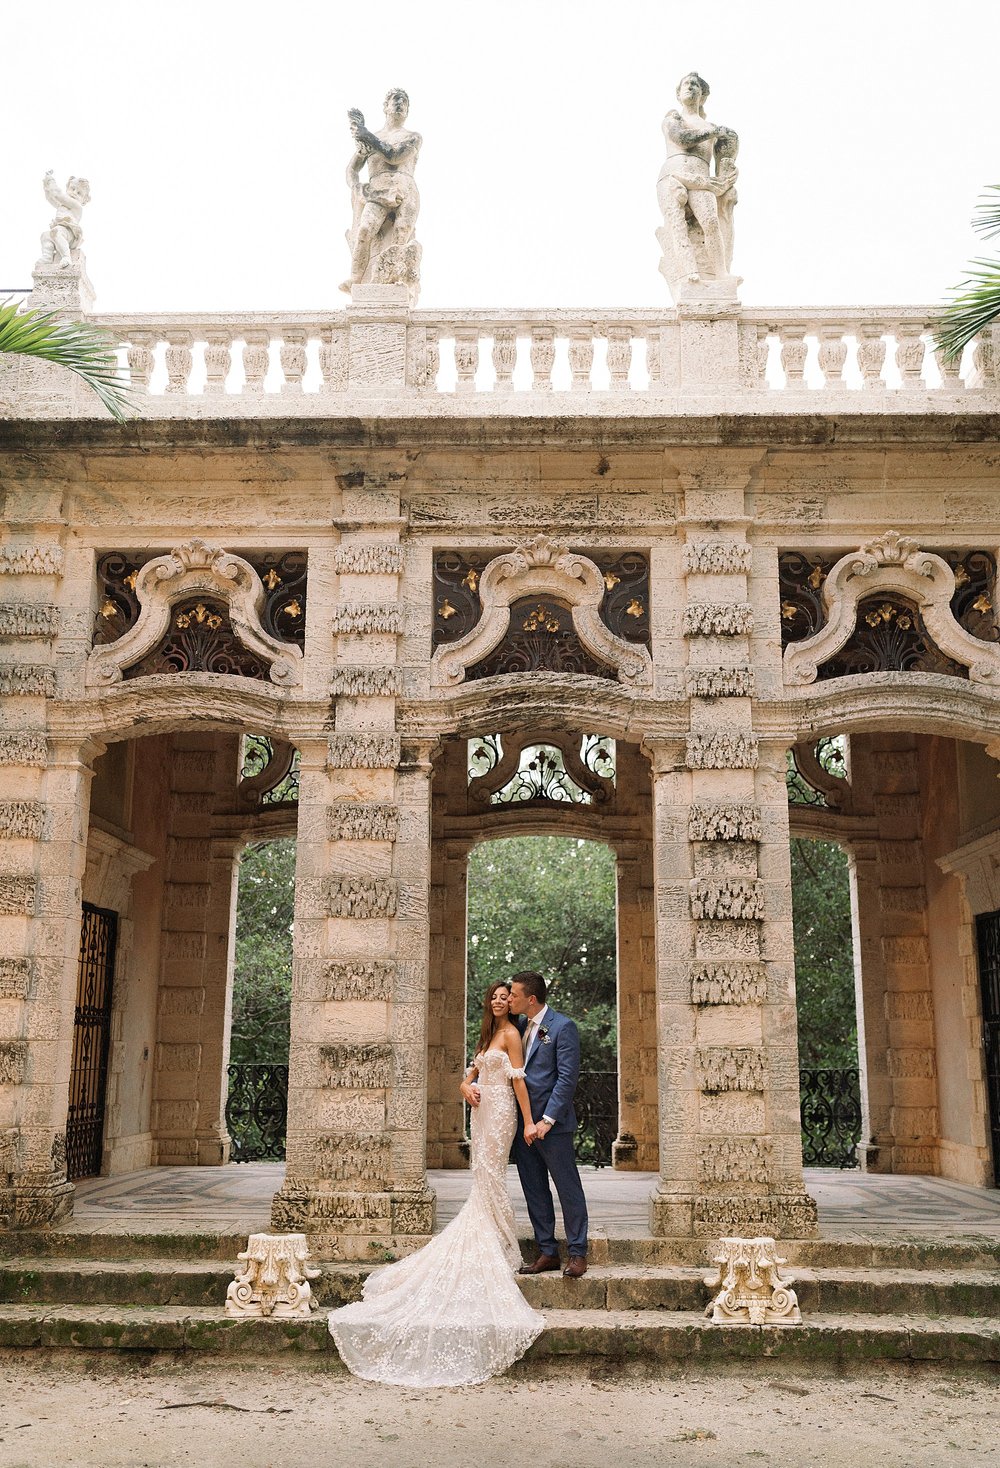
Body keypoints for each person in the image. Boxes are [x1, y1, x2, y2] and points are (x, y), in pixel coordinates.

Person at [328, 981, 544, 1386]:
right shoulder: (486, 1034)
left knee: (492, 1174)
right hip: (480, 1113)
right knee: (481, 1174)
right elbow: (471, 1074)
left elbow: (518, 1081)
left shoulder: (512, 1034)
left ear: (512, 1004)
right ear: (489, 1002)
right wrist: (465, 1087)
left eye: (505, 997)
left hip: (502, 1113)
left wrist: (529, 1121)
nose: (500, 1001)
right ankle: (492, 1236)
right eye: (495, 997)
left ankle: (495, 1241)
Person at [502, 971, 590, 1278]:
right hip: (524, 1125)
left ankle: (578, 1252)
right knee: (534, 1188)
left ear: (531, 998)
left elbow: (566, 1078)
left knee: (568, 1188)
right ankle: (547, 1251)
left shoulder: (563, 1027)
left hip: (553, 1126)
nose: (509, 998)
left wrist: (547, 1120)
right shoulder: (520, 1026)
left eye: (513, 994)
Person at [656, 72, 738, 285]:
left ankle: (721, 273)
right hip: (674, 175)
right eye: (686, 84)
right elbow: (681, 139)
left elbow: (725, 157)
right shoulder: (674, 118)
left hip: (702, 178)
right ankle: (689, 272)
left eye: (695, 85)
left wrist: (729, 169)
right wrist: (713, 133)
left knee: (711, 223)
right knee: (677, 224)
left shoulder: (712, 128)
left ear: (703, 96)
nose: (690, 87)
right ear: (678, 93)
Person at [340, 88, 421, 293]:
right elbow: (352, 169)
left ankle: (395, 279)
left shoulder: (413, 137)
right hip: (378, 189)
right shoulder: (371, 138)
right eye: (396, 100)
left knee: (401, 234)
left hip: (405, 188)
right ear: (385, 107)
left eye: (405, 102)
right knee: (365, 229)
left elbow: (394, 156)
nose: (400, 104)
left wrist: (367, 136)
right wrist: (356, 186)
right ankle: (355, 278)